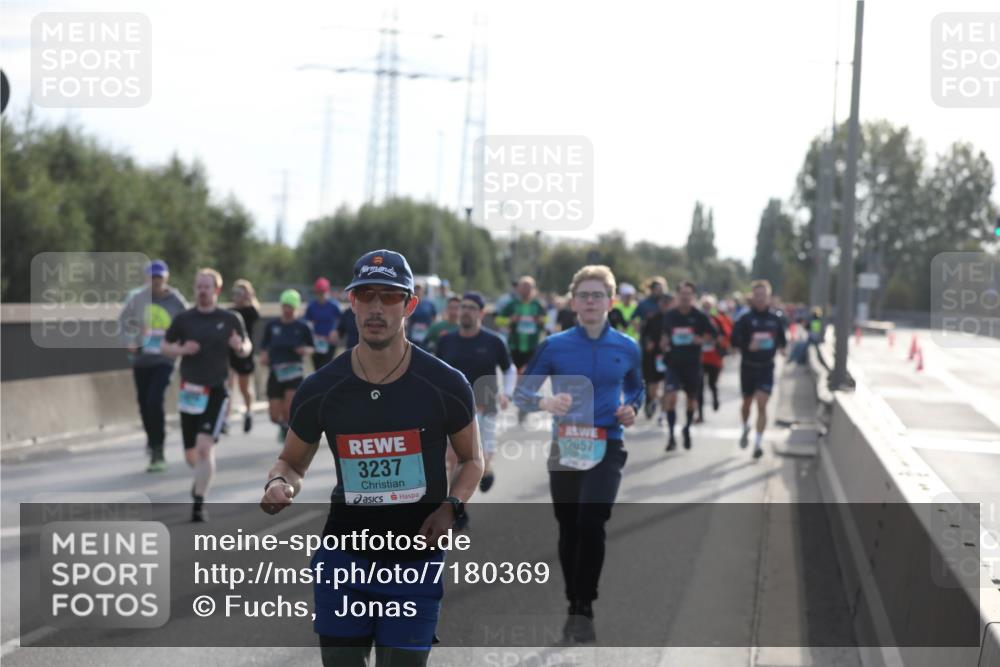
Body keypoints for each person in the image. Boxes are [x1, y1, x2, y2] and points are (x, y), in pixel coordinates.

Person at [259, 249, 482, 667]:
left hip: (414, 564)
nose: (376, 307)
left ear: (410, 304)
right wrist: (278, 483)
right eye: (366, 295)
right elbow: (291, 462)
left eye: (390, 296)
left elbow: (472, 460)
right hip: (344, 560)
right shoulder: (322, 387)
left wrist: (452, 507)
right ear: (352, 302)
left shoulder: (446, 384)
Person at [515, 264, 643, 644]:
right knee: (569, 526)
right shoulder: (554, 346)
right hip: (566, 444)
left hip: (608, 442)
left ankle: (585, 603)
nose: (590, 302)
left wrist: (632, 407)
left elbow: (638, 389)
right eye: (584, 295)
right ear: (573, 302)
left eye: (598, 295)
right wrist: (546, 401)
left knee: (592, 519)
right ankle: (574, 600)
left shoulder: (627, 346)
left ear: (611, 301)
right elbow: (522, 393)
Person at [162, 268, 251, 521]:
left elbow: (246, 346)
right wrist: (181, 349)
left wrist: (240, 348)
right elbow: (164, 347)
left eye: (206, 287)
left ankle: (198, 504)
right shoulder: (184, 319)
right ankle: (200, 479)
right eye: (198, 286)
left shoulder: (230, 318)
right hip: (190, 391)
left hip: (216, 390)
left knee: (204, 448)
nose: (202, 291)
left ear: (216, 290)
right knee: (191, 454)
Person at [436, 291, 515, 498]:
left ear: (481, 313)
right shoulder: (446, 341)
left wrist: (507, 394)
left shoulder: (494, 341)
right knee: (453, 458)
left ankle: (485, 470)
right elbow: (435, 373)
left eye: (472, 308)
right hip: (453, 411)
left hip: (485, 408)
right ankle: (457, 506)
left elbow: (509, 369)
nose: (466, 311)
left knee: (482, 457)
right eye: (463, 307)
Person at [118, 259, 188, 472]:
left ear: (166, 278)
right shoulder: (138, 298)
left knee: (154, 400)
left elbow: (188, 324)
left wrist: (181, 346)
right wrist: (129, 340)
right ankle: (151, 438)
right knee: (143, 404)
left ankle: (158, 450)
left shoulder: (176, 301)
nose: (156, 281)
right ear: (147, 278)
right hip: (142, 360)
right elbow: (123, 321)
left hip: (165, 360)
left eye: (160, 277)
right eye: (152, 277)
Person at [731, 280, 788, 460]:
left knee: (762, 403)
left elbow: (782, 340)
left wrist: (783, 349)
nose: (760, 299)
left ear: (769, 297)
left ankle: (757, 443)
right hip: (748, 367)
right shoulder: (745, 319)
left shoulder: (775, 318)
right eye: (757, 295)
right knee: (747, 403)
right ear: (753, 297)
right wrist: (748, 345)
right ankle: (745, 426)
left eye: (764, 295)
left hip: (766, 367)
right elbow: (733, 341)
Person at [660, 281, 715, 451]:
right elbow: (664, 337)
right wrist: (664, 343)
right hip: (673, 364)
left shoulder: (699, 316)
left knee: (692, 402)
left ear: (693, 297)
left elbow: (713, 335)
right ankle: (671, 437)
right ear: (677, 296)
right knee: (671, 399)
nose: (685, 297)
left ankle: (687, 428)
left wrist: (701, 339)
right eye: (682, 294)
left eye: (688, 294)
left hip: (692, 365)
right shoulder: (670, 316)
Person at [260, 289, 313, 444]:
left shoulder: (303, 326)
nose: (287, 310)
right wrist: (264, 356)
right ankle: (283, 426)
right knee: (274, 415)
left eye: (290, 306)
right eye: (285, 306)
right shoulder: (272, 325)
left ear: (295, 307)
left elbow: (312, 347)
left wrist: (304, 350)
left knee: (289, 409)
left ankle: (290, 432)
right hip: (276, 372)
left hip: (294, 372)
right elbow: (264, 346)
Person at [227, 278, 260, 434]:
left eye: (241, 293)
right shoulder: (229, 311)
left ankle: (248, 411)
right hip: (230, 353)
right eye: (236, 293)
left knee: (243, 387)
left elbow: (256, 312)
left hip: (245, 354)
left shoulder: (250, 311)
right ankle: (224, 419)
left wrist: (248, 296)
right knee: (227, 387)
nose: (237, 296)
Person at [495, 275, 547, 372]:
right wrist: (510, 320)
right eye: (524, 287)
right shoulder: (512, 304)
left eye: (529, 287)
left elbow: (547, 320)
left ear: (533, 289)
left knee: (530, 375)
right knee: (515, 375)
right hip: (515, 346)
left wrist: (540, 320)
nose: (526, 290)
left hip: (532, 346)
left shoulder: (538, 305)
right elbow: (498, 320)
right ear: (519, 289)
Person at [696, 295, 732, 423]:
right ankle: (700, 415)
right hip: (699, 358)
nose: (706, 309)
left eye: (709, 306)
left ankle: (715, 398)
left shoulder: (718, 320)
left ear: (713, 307)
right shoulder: (697, 319)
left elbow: (726, 336)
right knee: (699, 387)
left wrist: (717, 339)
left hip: (714, 358)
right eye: (704, 306)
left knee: (712, 383)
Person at [639, 293, 674, 420]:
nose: (665, 305)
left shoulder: (675, 319)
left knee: (668, 387)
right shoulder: (652, 318)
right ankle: (654, 400)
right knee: (652, 386)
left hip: (670, 357)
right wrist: (648, 342)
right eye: (663, 303)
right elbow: (644, 334)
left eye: (667, 303)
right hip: (653, 357)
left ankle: (663, 413)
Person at [305, 277, 342, 370]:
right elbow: (306, 321)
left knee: (326, 366)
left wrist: (336, 331)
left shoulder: (334, 305)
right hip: (316, 341)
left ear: (327, 291)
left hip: (329, 342)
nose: (321, 295)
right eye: (318, 292)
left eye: (323, 292)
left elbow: (342, 320)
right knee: (317, 368)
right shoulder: (312, 306)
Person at [406, 283, 437, 348]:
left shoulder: (429, 304)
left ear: (423, 291)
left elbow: (434, 317)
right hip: (412, 336)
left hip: (426, 336)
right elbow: (407, 318)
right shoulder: (409, 303)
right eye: (416, 289)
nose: (418, 291)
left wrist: (431, 330)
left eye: (419, 289)